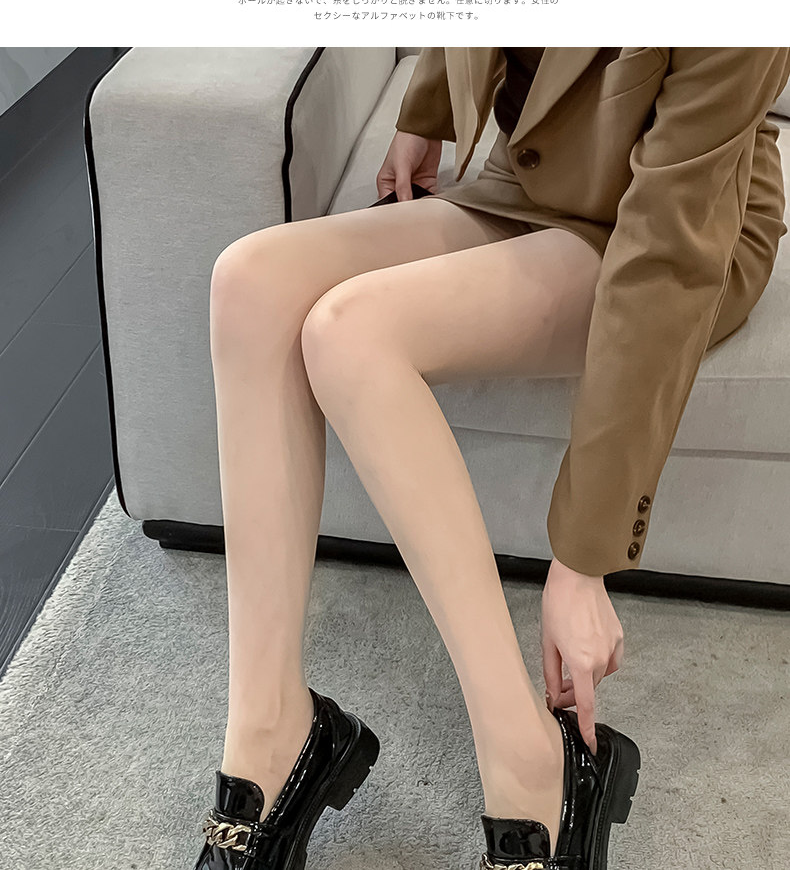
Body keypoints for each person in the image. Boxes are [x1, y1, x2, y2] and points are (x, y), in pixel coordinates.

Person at [192, 46, 790, 870]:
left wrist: (582, 564)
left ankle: (531, 763)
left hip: (669, 225)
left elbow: (668, 256)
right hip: (527, 180)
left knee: (350, 334)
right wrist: (427, 111)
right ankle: (271, 734)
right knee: (248, 282)